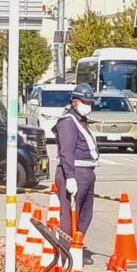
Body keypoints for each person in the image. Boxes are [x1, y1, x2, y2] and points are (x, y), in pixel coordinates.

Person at [52, 85, 100, 240]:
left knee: (85, 215)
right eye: (85, 102)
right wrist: (70, 177)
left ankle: (77, 245)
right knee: (69, 217)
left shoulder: (82, 121)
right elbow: (66, 152)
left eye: (90, 102)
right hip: (75, 173)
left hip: (87, 172)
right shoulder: (68, 121)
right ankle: (65, 249)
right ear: (75, 102)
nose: (88, 105)